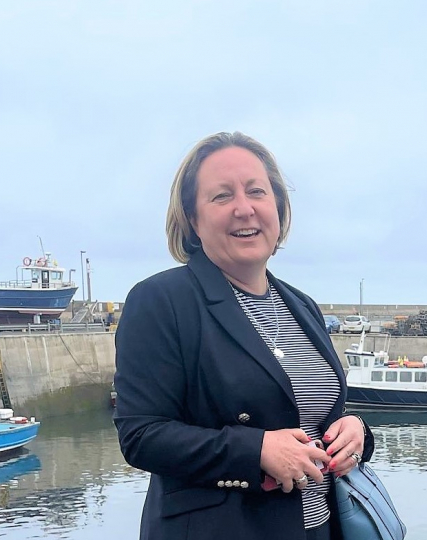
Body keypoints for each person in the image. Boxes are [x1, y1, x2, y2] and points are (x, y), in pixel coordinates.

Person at [114, 132, 374, 540]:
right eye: (221, 196)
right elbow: (141, 435)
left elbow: (319, 413)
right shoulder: (161, 300)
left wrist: (355, 432)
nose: (244, 208)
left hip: (321, 529)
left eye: (257, 191)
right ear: (193, 219)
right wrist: (255, 451)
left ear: (278, 208)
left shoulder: (301, 305)